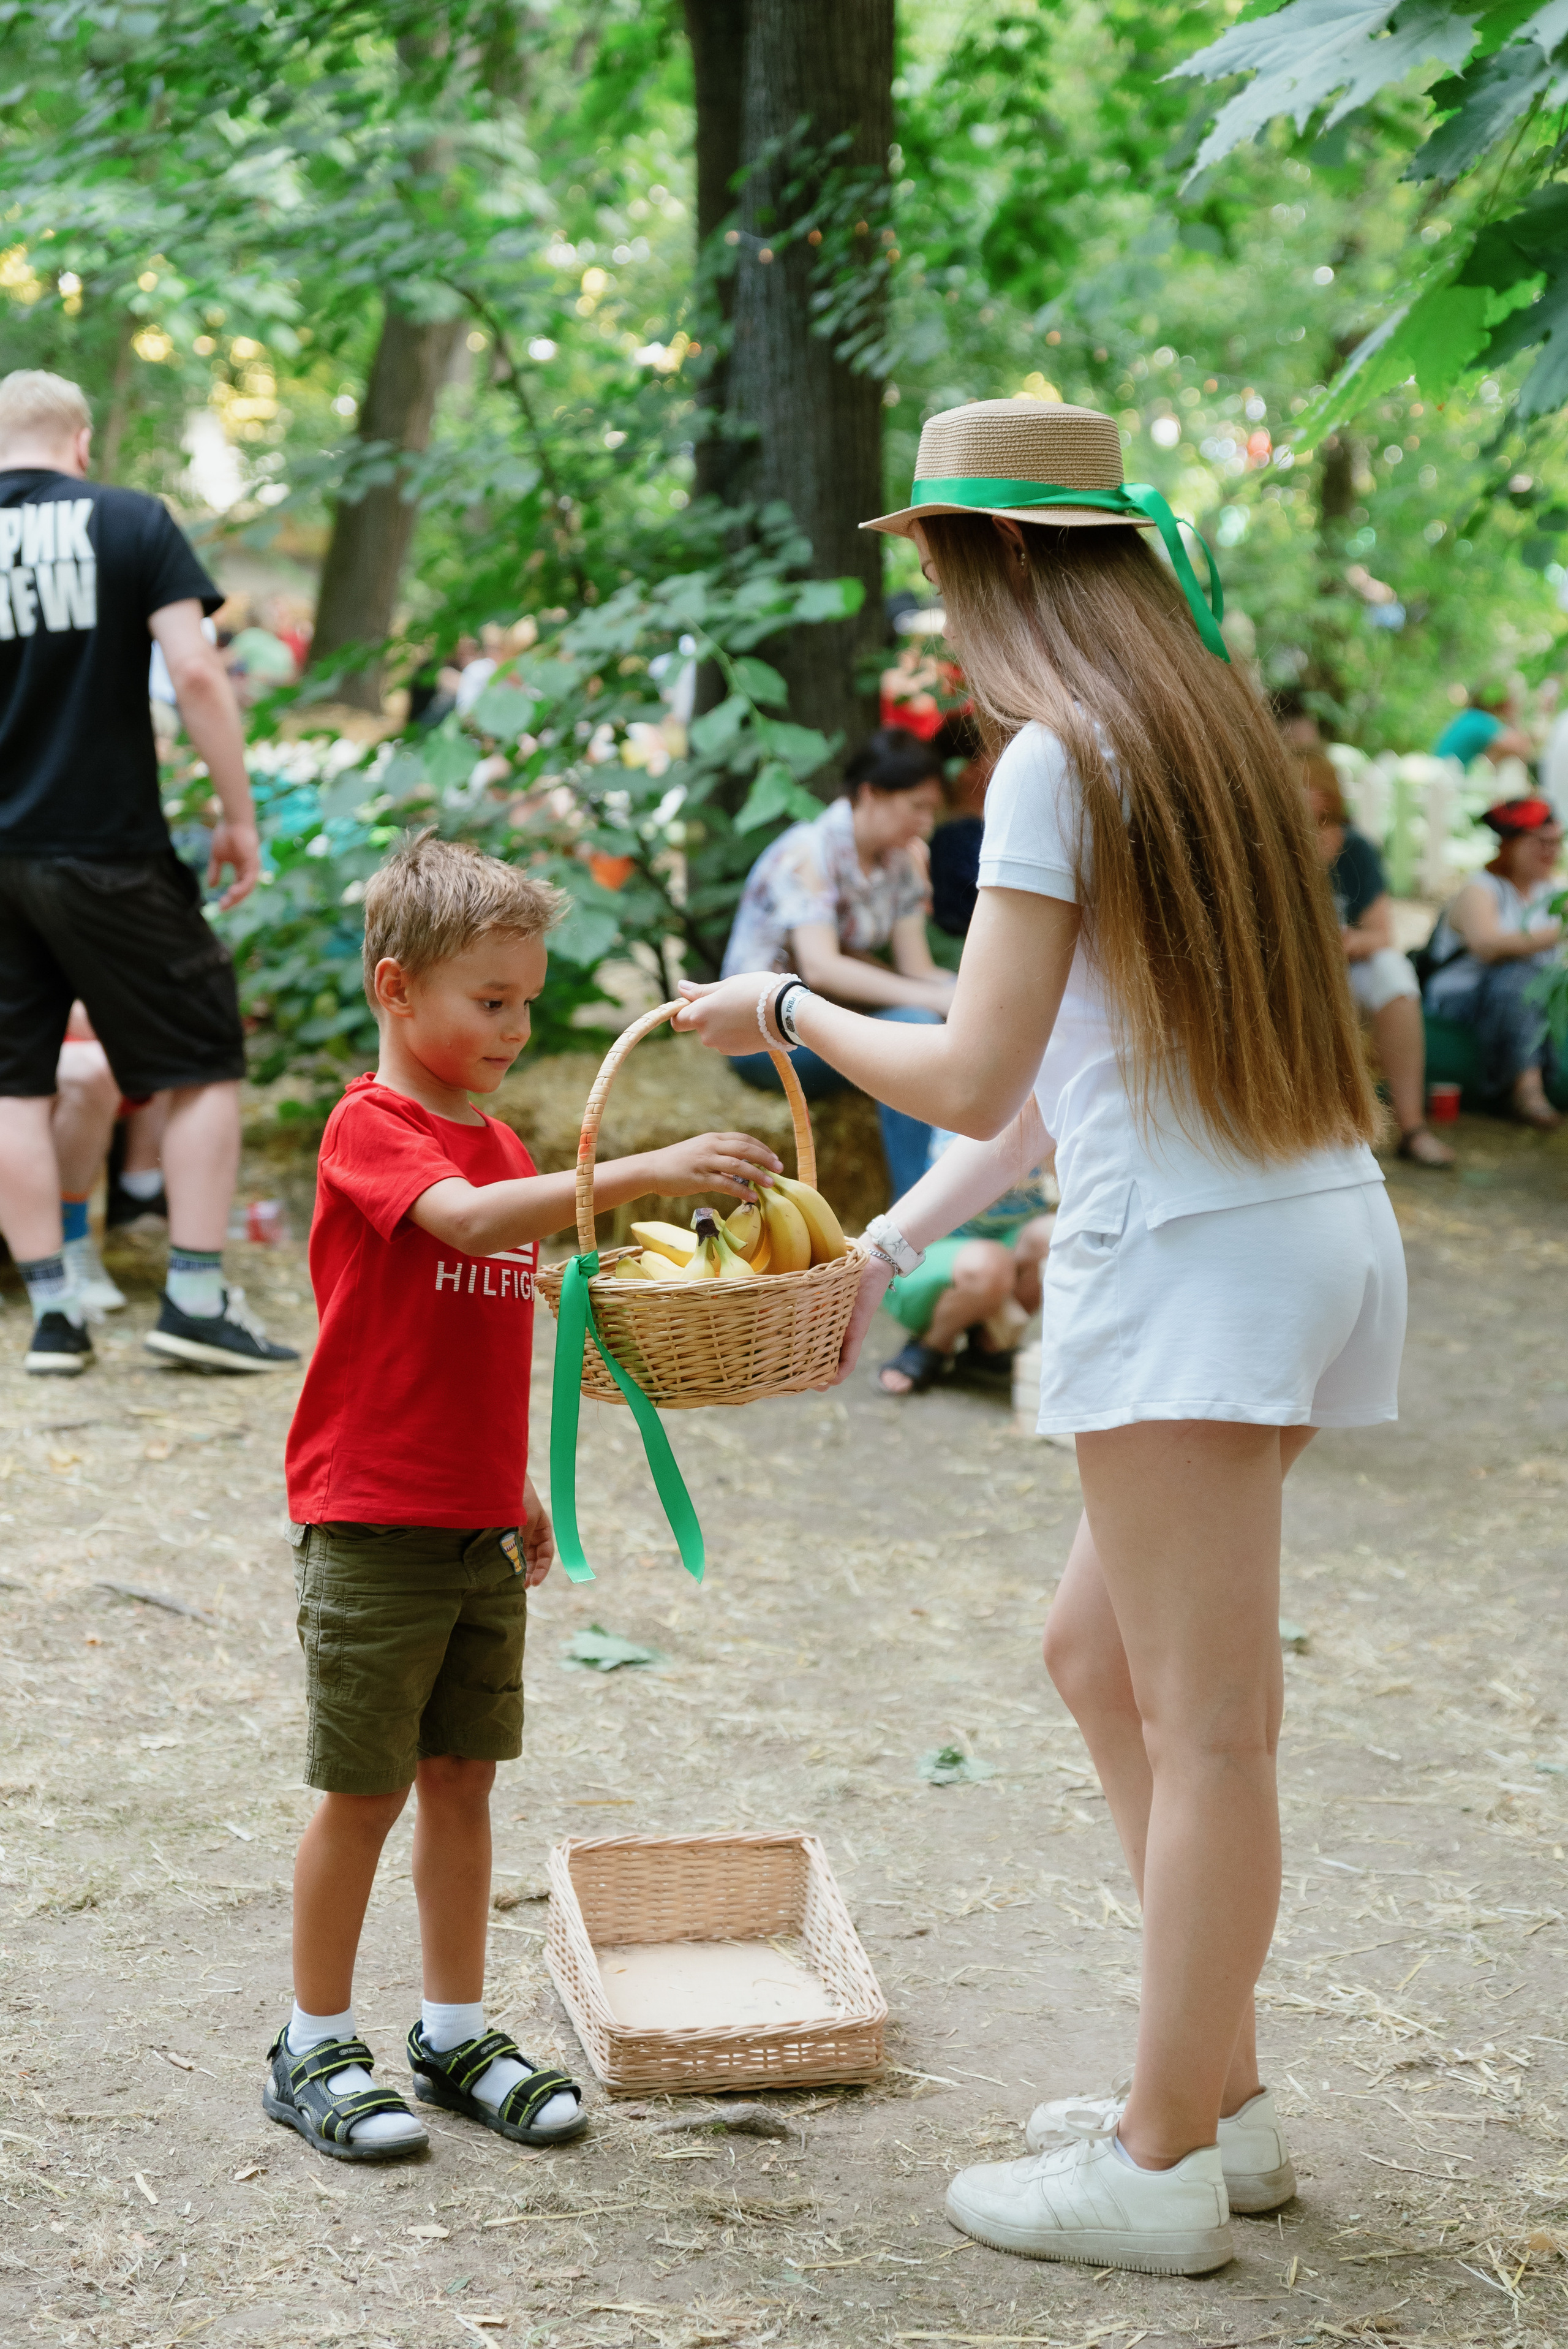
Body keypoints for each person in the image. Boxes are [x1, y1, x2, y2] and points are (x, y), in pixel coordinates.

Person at [676, 398, 1406, 2275]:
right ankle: (1214, 2103)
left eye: (932, 563)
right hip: (1306, 1230)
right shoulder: (1203, 733)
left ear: (998, 558)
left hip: (1197, 1262)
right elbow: (1062, 1076)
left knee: (1211, 1729)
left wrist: (780, 1003)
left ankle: (1161, 2159)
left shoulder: (1059, 760)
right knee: (1097, 1656)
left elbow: (972, 1059)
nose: (928, 607)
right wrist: (893, 1239)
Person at [270, 829, 781, 2164]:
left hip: (473, 1527)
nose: (514, 1025)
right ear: (397, 988)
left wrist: (513, 1490)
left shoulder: (500, 1141)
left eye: (529, 1001)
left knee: (462, 1780)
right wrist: (638, 1173)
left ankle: (448, 2032)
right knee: (363, 1792)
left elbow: (494, 1330)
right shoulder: (373, 1131)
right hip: (373, 1520)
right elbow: (461, 1228)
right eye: (488, 1001)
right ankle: (312, 2040)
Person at [0, 369, 296, 1375]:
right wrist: (238, 814)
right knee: (204, 1050)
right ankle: (196, 1297)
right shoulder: (131, 521)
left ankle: (53, 1314)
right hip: (106, 843)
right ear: (81, 441)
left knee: (11, 1084)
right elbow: (200, 672)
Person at [722, 727, 954, 1197]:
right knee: (914, 1029)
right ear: (871, 793)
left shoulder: (903, 861)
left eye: (933, 810)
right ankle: (918, 1217)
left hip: (826, 1022)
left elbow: (917, 966)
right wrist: (933, 999)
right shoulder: (809, 852)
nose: (927, 824)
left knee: (935, 1020)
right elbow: (822, 968)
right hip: (763, 1034)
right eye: (917, 807)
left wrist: (969, 995)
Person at [1302, 761, 1454, 1168]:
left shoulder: (1355, 849)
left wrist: (1347, 943)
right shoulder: (1263, 848)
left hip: (1346, 963)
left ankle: (1412, 1126)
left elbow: (1381, 934)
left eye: (1323, 816)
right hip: (1293, 975)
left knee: (1393, 973)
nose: (1314, 824)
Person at [1422, 795, 1564, 1129]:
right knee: (1519, 974)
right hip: (1461, 998)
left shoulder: (1550, 893)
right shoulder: (1481, 889)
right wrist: (1561, 931)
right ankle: (1526, 1090)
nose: (1551, 852)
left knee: (1536, 982)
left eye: (1556, 843)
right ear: (1510, 844)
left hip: (1518, 999)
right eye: (1540, 843)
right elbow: (1486, 945)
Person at [876, 1130, 1054, 1394]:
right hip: (936, 1248)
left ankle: (990, 1344)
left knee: (1058, 1236)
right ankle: (932, 1346)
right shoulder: (970, 1115)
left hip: (1007, 1242)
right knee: (990, 1264)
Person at [1433, 686, 1533, 768]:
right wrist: (1512, 715)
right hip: (1451, 781)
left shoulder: (1471, 716)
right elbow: (1523, 747)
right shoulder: (1481, 721)